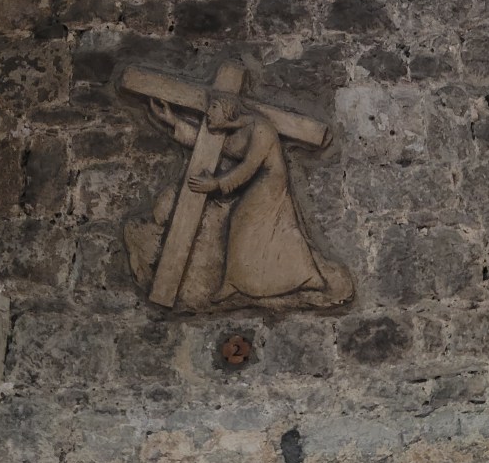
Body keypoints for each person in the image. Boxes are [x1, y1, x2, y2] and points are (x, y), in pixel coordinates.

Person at [147, 93, 352, 309]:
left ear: (228, 111)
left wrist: (216, 184)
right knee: (278, 226)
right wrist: (173, 121)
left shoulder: (260, 129)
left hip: (271, 180)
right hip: (261, 179)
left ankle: (291, 278)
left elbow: (249, 166)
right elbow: (206, 143)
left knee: (244, 219)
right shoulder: (235, 133)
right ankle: (302, 277)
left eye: (213, 107)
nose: (208, 112)